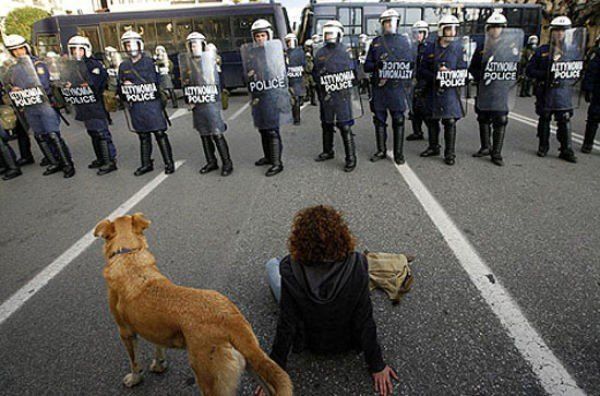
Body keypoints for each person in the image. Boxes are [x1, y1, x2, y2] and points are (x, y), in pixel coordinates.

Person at [256, 205, 399, 396]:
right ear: (342, 235)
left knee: (272, 264)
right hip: (345, 342)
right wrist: (377, 365)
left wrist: (274, 371)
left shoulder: (290, 267)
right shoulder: (358, 264)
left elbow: (286, 324)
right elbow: (365, 320)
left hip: (309, 342)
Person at [3, 34, 75, 178]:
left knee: (53, 134)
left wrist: (24, 88)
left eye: (21, 48)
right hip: (29, 106)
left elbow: (43, 82)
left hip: (43, 103)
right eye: (15, 50)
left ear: (26, 48)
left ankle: (67, 164)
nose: (19, 52)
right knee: (40, 136)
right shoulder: (13, 69)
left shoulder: (38, 64)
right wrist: (12, 89)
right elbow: (8, 83)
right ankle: (53, 161)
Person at [117, 30, 175, 175]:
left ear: (139, 44)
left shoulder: (150, 63)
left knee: (159, 133)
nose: (130, 48)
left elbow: (160, 80)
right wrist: (123, 87)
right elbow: (119, 87)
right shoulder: (123, 66)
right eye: (127, 45)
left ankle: (169, 163)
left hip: (152, 104)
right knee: (143, 135)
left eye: (133, 44)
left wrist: (166, 91)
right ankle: (146, 164)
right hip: (136, 105)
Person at [526, 16, 583, 163]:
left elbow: (578, 69)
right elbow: (529, 70)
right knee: (545, 118)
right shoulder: (542, 51)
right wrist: (545, 75)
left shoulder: (572, 51)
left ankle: (566, 149)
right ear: (552, 32)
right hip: (546, 91)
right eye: (556, 30)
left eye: (563, 31)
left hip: (563, 91)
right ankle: (543, 146)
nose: (559, 34)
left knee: (564, 119)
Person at [469, 13, 523, 166]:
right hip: (485, 88)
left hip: (501, 89)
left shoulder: (510, 48)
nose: (495, 30)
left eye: (498, 27)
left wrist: (509, 79)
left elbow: (516, 68)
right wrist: (482, 75)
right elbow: (473, 67)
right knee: (483, 118)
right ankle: (486, 147)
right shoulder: (482, 47)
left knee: (501, 119)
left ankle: (497, 153)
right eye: (492, 27)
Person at [364, 9, 415, 165]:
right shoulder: (376, 42)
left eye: (391, 22)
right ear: (382, 24)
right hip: (379, 88)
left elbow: (411, 66)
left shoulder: (405, 42)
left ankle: (399, 153)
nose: (388, 25)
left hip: (397, 88)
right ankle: (381, 150)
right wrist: (377, 66)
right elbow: (366, 66)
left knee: (398, 120)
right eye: (386, 22)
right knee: (379, 120)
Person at [241, 19, 291, 177]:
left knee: (272, 130)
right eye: (257, 36)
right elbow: (246, 75)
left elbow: (283, 73)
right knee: (263, 128)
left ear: (269, 35)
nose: (260, 39)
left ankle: (277, 163)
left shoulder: (277, 53)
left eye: (263, 35)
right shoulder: (251, 54)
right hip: (259, 95)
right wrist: (248, 77)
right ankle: (269, 157)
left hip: (273, 95)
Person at [63, 35, 117, 175]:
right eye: (74, 50)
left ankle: (109, 160)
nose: (76, 52)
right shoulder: (71, 66)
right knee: (92, 132)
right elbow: (69, 81)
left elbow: (96, 82)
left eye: (80, 49)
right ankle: (100, 158)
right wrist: (67, 85)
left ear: (86, 49)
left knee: (101, 132)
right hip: (82, 104)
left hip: (95, 103)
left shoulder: (94, 64)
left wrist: (83, 84)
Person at [180, 32, 233, 176]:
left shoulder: (212, 60)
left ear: (202, 45)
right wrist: (188, 98)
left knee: (216, 132)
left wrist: (217, 65)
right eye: (191, 45)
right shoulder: (188, 63)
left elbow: (220, 81)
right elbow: (186, 82)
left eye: (196, 44)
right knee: (203, 133)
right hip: (197, 102)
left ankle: (227, 163)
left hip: (211, 101)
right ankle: (211, 162)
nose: (193, 47)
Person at [418, 15, 467, 166]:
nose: (452, 32)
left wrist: (450, 73)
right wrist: (436, 75)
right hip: (433, 89)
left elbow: (463, 69)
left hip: (450, 92)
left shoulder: (458, 49)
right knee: (432, 120)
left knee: (450, 121)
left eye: (454, 29)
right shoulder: (430, 48)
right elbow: (421, 70)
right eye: (449, 29)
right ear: (441, 30)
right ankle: (433, 147)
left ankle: (450, 154)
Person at [313, 20, 361, 172]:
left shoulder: (347, 51)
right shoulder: (320, 52)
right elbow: (315, 71)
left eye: (331, 33)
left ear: (339, 33)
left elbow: (356, 73)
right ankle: (328, 151)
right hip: (326, 94)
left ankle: (351, 158)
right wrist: (319, 81)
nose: (328, 36)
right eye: (326, 33)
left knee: (344, 125)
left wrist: (347, 81)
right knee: (326, 123)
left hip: (342, 94)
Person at [406, 20, 430, 141]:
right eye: (416, 33)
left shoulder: (429, 48)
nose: (418, 35)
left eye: (421, 32)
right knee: (413, 108)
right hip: (413, 80)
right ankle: (417, 132)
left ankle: (433, 137)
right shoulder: (412, 47)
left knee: (424, 109)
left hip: (424, 82)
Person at [581, 35, 599, 154]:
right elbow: (590, 73)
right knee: (593, 118)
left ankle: (588, 144)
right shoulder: (596, 56)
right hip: (598, 92)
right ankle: (587, 144)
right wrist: (588, 89)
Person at [285, 33, 306, 125]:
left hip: (298, 78)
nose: (290, 43)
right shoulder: (285, 53)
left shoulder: (300, 52)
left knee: (296, 99)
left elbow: (304, 64)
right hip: (288, 78)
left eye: (291, 41)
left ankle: (297, 119)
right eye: (288, 42)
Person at [303, 39, 318, 106]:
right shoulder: (304, 55)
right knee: (306, 85)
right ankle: (306, 96)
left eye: (310, 47)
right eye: (307, 47)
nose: (308, 48)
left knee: (313, 86)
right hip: (305, 73)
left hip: (311, 73)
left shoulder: (313, 54)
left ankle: (313, 99)